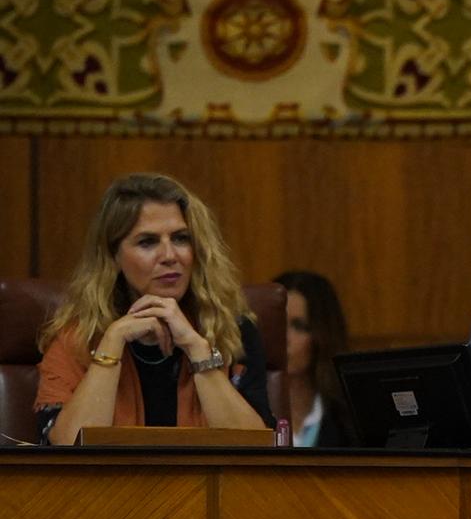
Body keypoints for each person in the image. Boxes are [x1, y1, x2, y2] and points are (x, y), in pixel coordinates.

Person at [34, 173, 273, 445]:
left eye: (181, 238)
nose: (170, 256)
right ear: (113, 257)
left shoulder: (230, 329)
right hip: (110, 487)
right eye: (147, 242)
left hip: (205, 487)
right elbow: (66, 450)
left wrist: (197, 350)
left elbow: (257, 450)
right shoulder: (75, 338)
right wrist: (112, 342)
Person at [273, 270, 356, 447]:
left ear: (322, 335)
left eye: (299, 326)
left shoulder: (348, 417)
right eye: (277, 322)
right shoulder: (247, 409)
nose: (284, 337)